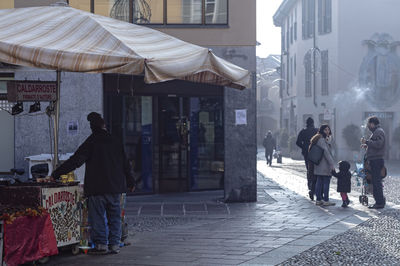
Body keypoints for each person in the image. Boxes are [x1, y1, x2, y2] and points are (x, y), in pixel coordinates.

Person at [51, 112, 135, 255]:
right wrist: (131, 181)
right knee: (114, 217)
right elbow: (125, 163)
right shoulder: (115, 140)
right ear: (104, 125)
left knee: (97, 218)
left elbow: (76, 161)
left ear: (92, 127)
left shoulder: (91, 141)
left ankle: (101, 245)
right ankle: (115, 245)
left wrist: (56, 173)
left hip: (97, 188)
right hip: (115, 187)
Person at [361, 116, 386, 209]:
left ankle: (379, 202)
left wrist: (367, 142)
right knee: (376, 181)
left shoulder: (378, 131)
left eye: (368, 124)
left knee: (376, 182)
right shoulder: (377, 131)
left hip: (376, 160)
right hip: (375, 159)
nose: (368, 126)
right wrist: (367, 146)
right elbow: (376, 144)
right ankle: (380, 201)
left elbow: (379, 144)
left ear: (372, 123)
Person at [310, 124, 336, 206]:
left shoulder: (321, 138)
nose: (327, 131)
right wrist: (331, 164)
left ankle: (319, 200)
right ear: (322, 130)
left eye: (328, 129)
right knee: (326, 182)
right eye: (325, 130)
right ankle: (325, 200)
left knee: (320, 182)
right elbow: (326, 152)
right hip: (324, 165)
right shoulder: (321, 139)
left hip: (320, 165)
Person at [296, 117, 318, 200]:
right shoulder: (316, 131)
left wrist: (304, 147)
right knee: (316, 170)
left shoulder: (303, 131)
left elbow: (297, 142)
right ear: (313, 123)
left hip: (306, 153)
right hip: (316, 153)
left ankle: (310, 185)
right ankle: (314, 187)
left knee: (309, 169)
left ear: (306, 123)